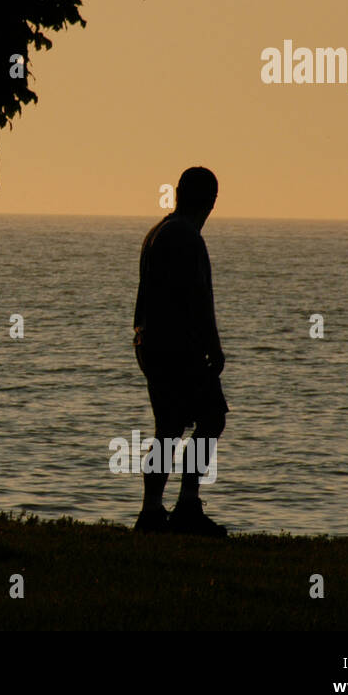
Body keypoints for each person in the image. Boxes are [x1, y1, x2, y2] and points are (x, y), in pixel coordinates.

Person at [132, 166, 227, 536]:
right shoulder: (187, 237)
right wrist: (213, 348)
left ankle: (152, 511)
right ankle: (187, 504)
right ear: (209, 201)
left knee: (168, 428)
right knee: (211, 418)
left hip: (152, 345)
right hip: (178, 347)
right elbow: (199, 298)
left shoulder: (158, 232)